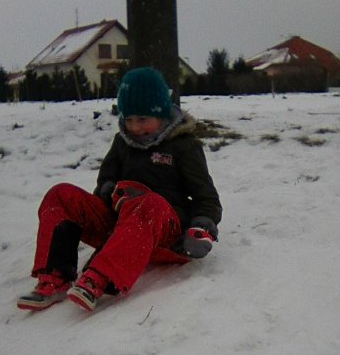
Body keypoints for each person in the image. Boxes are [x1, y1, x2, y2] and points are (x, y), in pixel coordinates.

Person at [17, 67, 222, 313]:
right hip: (120, 227)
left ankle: (100, 277)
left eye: (142, 119)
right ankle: (54, 275)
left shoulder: (183, 146)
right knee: (60, 194)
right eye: (129, 119)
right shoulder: (122, 142)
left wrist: (202, 228)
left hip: (166, 234)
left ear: (162, 114)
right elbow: (106, 180)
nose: (134, 127)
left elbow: (206, 197)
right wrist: (111, 192)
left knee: (149, 203)